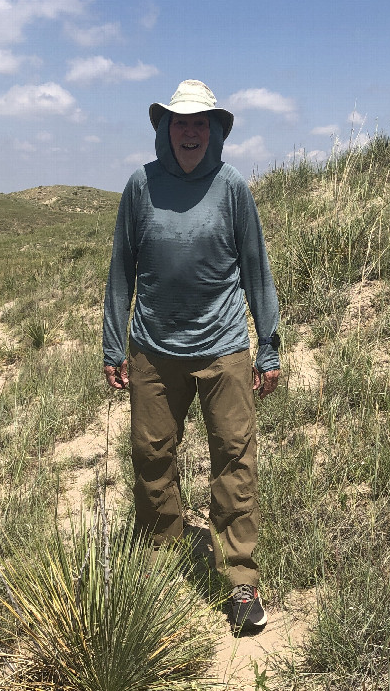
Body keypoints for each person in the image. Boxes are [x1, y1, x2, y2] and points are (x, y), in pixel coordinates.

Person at [102, 79, 281, 635]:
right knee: (152, 456)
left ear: (215, 130)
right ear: (165, 128)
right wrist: (113, 342)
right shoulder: (140, 187)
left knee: (234, 458)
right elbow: (120, 272)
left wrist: (268, 344)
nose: (189, 132)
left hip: (225, 345)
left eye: (200, 123)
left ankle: (241, 583)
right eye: (181, 123)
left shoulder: (232, 189)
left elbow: (256, 268)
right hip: (154, 348)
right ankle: (161, 567)